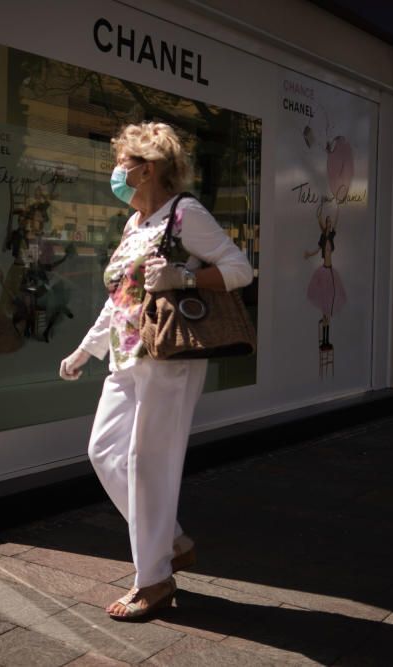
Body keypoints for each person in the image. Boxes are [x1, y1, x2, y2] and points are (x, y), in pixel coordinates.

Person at [58, 122, 253, 620]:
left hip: (169, 356)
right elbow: (121, 297)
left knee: (149, 464)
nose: (116, 174)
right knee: (103, 452)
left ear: (146, 169)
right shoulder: (134, 224)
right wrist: (86, 349)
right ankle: (170, 541)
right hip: (125, 356)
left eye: (122, 164)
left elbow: (240, 269)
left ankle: (154, 579)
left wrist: (184, 275)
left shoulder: (185, 214)